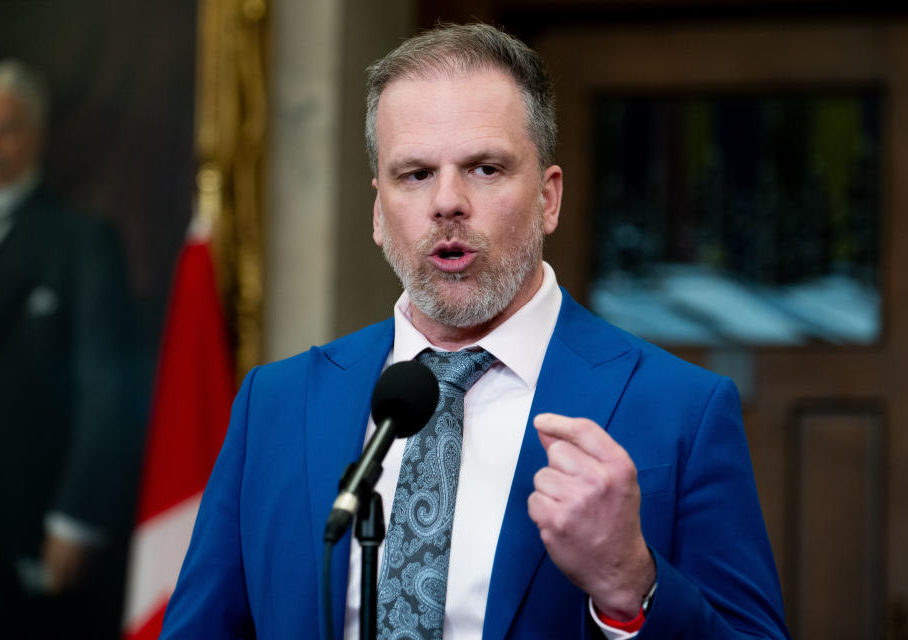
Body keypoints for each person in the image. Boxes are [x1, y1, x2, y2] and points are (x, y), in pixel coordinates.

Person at [160, 23, 790, 639]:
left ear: (548, 198)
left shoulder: (681, 409)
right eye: (415, 174)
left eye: (485, 168)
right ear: (379, 212)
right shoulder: (275, 403)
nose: (447, 202)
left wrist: (633, 587)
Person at [0, 59, 139, 638]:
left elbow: (108, 389)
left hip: (30, 524)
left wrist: (76, 517)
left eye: (3, 129)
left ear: (37, 134)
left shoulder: (82, 242)